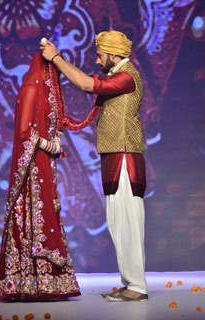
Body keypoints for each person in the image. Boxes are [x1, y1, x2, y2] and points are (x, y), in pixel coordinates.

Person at [41, 30, 148, 301]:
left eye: (100, 54)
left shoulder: (127, 76)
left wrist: (56, 58)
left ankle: (137, 286)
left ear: (113, 54)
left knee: (128, 221)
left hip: (125, 156)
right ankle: (130, 283)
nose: (97, 59)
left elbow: (87, 84)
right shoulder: (117, 76)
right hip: (113, 155)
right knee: (117, 222)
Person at [0, 52, 93, 301]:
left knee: (48, 214)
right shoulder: (31, 87)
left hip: (44, 166)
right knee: (34, 217)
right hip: (33, 168)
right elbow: (25, 131)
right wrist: (51, 146)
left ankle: (49, 280)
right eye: (54, 69)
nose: (56, 77)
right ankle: (26, 280)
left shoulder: (45, 90)